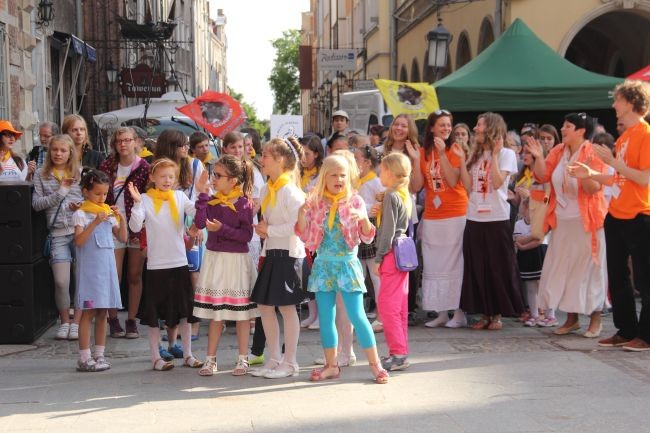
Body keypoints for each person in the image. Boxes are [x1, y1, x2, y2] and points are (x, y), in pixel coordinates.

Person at [296, 154, 389, 384]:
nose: (339, 179)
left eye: (343, 175)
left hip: (347, 264)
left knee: (357, 316)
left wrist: (365, 220)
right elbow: (306, 238)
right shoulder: (316, 203)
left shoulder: (355, 201)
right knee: (326, 318)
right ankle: (331, 365)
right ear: (324, 177)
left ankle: (375, 365)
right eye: (334, 175)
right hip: (323, 265)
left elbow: (367, 238)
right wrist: (301, 215)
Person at [527, 112, 607, 337]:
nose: (563, 129)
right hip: (562, 221)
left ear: (581, 131)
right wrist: (538, 157)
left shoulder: (593, 151)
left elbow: (594, 189)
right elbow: (543, 177)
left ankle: (595, 318)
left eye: (568, 126)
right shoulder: (558, 151)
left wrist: (584, 174)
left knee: (590, 270)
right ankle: (571, 319)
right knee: (566, 270)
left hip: (587, 222)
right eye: (563, 125)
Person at [587, 80, 650, 351]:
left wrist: (613, 162)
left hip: (639, 215)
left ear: (631, 102)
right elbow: (618, 178)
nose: (613, 104)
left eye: (618, 99)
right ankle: (626, 330)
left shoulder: (646, 134)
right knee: (617, 276)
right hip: (617, 214)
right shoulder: (624, 138)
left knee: (645, 280)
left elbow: (644, 179)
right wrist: (590, 174)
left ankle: (646, 337)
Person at [127, 158, 203, 371]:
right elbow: (134, 225)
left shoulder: (179, 197)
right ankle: (155, 357)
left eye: (171, 176)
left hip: (179, 262)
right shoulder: (145, 199)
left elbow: (198, 214)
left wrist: (202, 193)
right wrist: (137, 203)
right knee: (154, 314)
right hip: (156, 265)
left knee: (185, 311)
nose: (167, 180)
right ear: (152, 178)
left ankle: (188, 354)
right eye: (162, 176)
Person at [456, 112, 524, 330]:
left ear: (491, 128)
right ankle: (483, 314)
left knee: (497, 266)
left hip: (497, 216)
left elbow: (496, 182)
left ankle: (496, 315)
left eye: (479, 125)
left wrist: (494, 155)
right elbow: (467, 186)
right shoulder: (474, 155)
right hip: (474, 215)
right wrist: (460, 162)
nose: (475, 129)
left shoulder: (506, 154)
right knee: (477, 266)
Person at [192, 155, 258, 376]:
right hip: (216, 259)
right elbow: (199, 222)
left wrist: (222, 230)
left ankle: (243, 358)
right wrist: (202, 193)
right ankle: (210, 360)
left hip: (236, 261)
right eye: (214, 174)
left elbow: (246, 235)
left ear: (233, 180)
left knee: (241, 314)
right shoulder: (212, 200)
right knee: (217, 313)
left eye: (218, 175)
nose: (214, 179)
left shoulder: (244, 203)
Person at [249, 137, 306, 379]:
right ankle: (274, 357)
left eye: (265, 156)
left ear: (280, 160)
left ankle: (290, 361)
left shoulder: (289, 191)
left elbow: (298, 227)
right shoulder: (266, 188)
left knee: (286, 306)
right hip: (272, 253)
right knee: (264, 305)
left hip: (289, 254)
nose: (261, 160)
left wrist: (268, 230)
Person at [408, 109, 469, 329]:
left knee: (455, 263)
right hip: (433, 216)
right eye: (441, 125)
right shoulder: (424, 152)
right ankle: (442, 312)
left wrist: (443, 154)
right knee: (434, 263)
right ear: (432, 127)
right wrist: (415, 161)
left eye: (448, 125)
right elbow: (416, 186)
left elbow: (453, 182)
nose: (446, 129)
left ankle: (459, 312)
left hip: (455, 212)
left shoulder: (455, 149)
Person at [73, 170, 127, 371]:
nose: (101, 198)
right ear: (86, 192)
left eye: (104, 194)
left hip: (107, 270)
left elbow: (122, 238)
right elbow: (78, 241)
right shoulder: (81, 214)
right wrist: (95, 221)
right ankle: (84, 356)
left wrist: (120, 218)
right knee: (89, 312)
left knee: (103, 311)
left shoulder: (108, 213)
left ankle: (99, 354)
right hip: (90, 272)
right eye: (97, 194)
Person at [99, 127, 150, 339]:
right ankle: (112, 318)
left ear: (136, 142)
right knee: (114, 274)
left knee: (134, 275)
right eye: (119, 140)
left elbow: (149, 196)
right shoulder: (107, 165)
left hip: (137, 225)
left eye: (127, 140)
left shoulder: (144, 167)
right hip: (113, 224)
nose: (123, 144)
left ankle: (131, 319)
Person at [32, 135, 83, 340]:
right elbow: (36, 204)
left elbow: (90, 199)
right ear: (49, 151)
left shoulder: (79, 172)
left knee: (81, 280)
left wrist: (80, 205)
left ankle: (77, 323)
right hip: (57, 233)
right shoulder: (40, 174)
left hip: (79, 231)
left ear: (71, 152)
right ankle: (64, 321)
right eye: (55, 150)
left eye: (63, 150)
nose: (59, 154)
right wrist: (60, 193)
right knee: (61, 282)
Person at [371, 152, 413, 371]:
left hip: (390, 254)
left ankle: (397, 353)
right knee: (399, 307)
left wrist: (378, 257)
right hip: (402, 254)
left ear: (389, 171)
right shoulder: (403, 193)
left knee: (387, 306)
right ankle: (400, 351)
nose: (380, 173)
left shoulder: (391, 196)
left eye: (382, 169)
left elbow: (387, 231)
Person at [354, 145, 384, 331]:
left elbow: (382, 201)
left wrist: (374, 208)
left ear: (367, 162)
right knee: (360, 274)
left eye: (357, 158)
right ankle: (357, 316)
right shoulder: (358, 180)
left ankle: (382, 315)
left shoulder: (375, 182)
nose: (354, 161)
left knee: (375, 275)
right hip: (358, 231)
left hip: (370, 229)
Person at [298, 134, 326, 330]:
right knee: (306, 274)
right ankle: (313, 313)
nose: (303, 157)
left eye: (306, 153)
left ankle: (321, 317)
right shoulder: (297, 174)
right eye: (301, 153)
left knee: (317, 273)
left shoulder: (322, 175)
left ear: (316, 154)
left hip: (317, 229)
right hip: (301, 228)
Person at [513, 198, 548, 327]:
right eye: (528, 209)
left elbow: (539, 239)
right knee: (531, 287)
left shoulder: (541, 222)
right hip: (526, 257)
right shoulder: (519, 224)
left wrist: (525, 244)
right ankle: (534, 314)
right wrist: (532, 236)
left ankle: (550, 315)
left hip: (540, 254)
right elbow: (518, 240)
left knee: (544, 285)